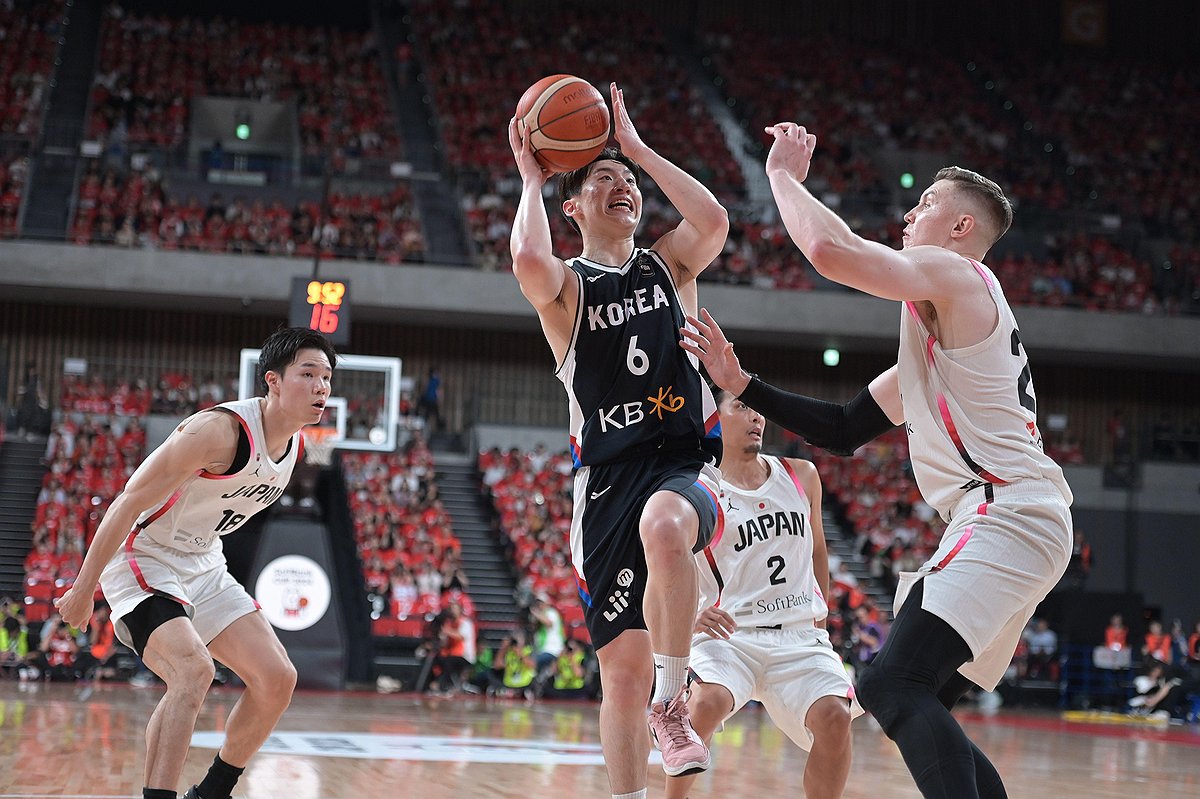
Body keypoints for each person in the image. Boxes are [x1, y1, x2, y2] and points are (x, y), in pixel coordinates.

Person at [681, 124, 1073, 799]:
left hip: (1006, 509)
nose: (908, 214)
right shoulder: (938, 336)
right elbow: (842, 428)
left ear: (957, 226)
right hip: (1012, 514)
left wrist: (782, 177)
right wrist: (744, 385)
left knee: (889, 684)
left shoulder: (961, 274)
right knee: (911, 693)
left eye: (922, 204)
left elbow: (832, 250)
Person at [508, 81, 728, 797]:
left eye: (628, 181)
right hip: (603, 484)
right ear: (573, 207)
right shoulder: (569, 288)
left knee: (666, 523)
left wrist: (637, 148)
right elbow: (526, 264)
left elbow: (714, 217)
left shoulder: (670, 264)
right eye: (603, 177)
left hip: (682, 461)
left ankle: (674, 702)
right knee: (619, 676)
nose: (621, 185)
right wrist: (530, 182)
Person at [54, 327, 337, 799]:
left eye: (326, 377)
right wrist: (85, 589)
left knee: (277, 679)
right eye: (308, 374)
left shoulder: (296, 448)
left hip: (203, 561)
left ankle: (212, 792)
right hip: (142, 554)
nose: (320, 387)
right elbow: (126, 504)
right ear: (272, 381)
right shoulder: (217, 431)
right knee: (192, 671)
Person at [666, 388, 856, 799]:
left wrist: (819, 613)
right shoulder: (697, 490)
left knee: (835, 717)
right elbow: (661, 563)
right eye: (741, 407)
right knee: (703, 705)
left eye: (758, 410)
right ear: (713, 419)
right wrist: (690, 615)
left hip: (798, 634)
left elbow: (818, 548)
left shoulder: (801, 475)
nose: (756, 417)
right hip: (728, 636)